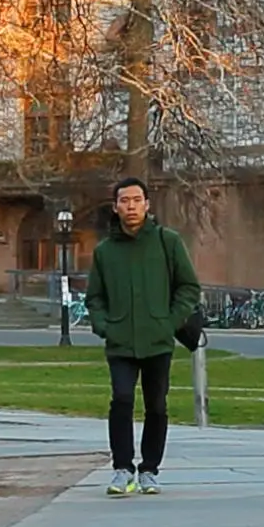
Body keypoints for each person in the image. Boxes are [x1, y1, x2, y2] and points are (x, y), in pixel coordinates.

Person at [79, 178, 201, 496]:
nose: (130, 206)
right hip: (120, 340)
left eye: (136, 200)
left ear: (147, 204)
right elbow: (94, 297)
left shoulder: (167, 242)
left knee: (156, 405)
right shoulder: (105, 251)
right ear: (116, 206)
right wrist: (104, 325)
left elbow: (188, 286)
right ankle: (122, 469)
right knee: (121, 399)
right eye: (124, 200)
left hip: (157, 339)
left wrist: (170, 321)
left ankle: (149, 470)